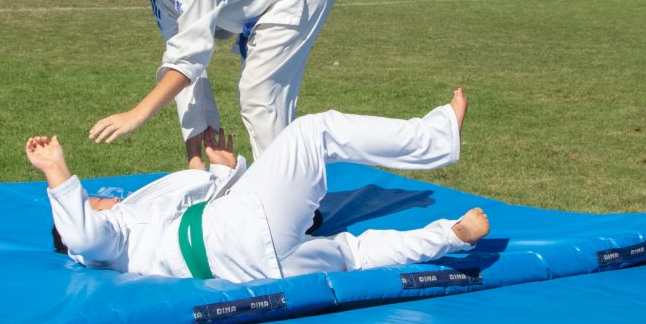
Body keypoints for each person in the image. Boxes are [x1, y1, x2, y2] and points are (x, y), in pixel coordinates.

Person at [35, 91, 488, 281]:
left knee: (354, 254)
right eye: (95, 197)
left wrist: (226, 170)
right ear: (85, 210)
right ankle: (436, 137)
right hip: (239, 231)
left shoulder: (132, 242)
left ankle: (451, 235)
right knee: (316, 131)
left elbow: (192, 201)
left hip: (254, 268)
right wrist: (57, 171)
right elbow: (81, 234)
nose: (107, 195)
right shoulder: (104, 235)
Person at [88, 0, 347, 164]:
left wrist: (136, 115)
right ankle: (288, 189)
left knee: (260, 94)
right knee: (259, 97)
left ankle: (290, 196)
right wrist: (195, 159)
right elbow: (183, 69)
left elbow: (191, 56)